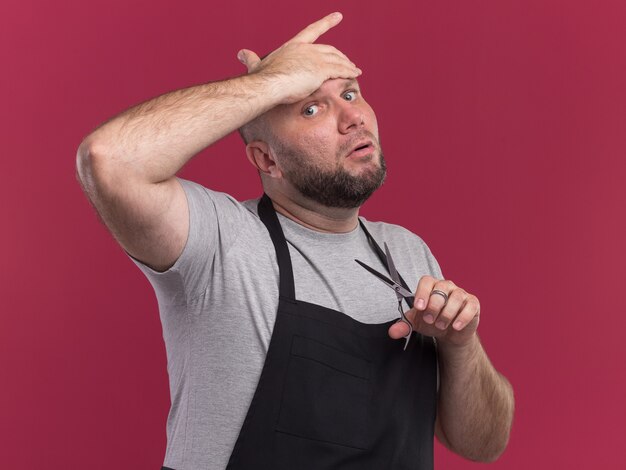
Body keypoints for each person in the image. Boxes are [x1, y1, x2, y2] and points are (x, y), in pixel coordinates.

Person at [76, 12, 514, 470]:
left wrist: (461, 344)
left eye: (349, 94)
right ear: (267, 160)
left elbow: (484, 444)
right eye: (310, 108)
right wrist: (272, 82)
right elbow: (108, 159)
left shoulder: (407, 254)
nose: (351, 119)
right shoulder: (223, 242)